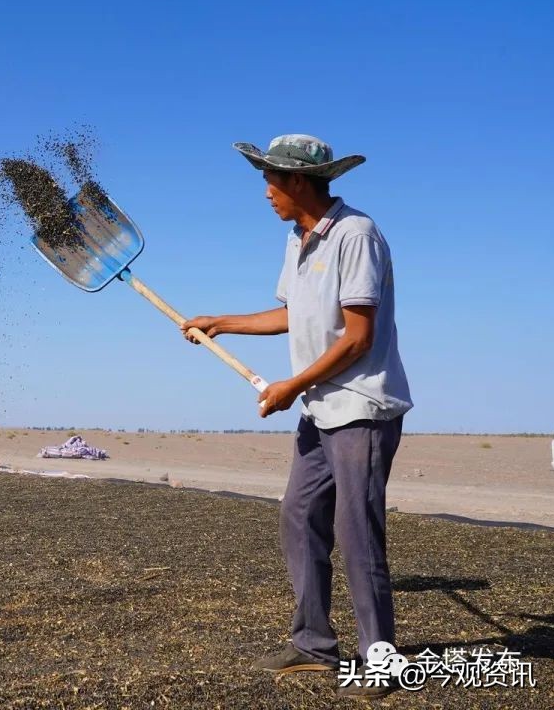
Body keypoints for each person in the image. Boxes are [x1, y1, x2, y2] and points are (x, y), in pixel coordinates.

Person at [183, 135, 412, 699]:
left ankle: (381, 662)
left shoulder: (356, 235)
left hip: (360, 408)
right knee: (299, 514)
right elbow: (293, 314)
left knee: (357, 533)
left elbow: (358, 338)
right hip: (320, 409)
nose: (266, 193)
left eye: (270, 180)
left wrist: (292, 386)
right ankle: (313, 644)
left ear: (298, 182)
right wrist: (222, 323)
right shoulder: (298, 239)